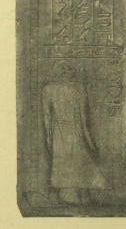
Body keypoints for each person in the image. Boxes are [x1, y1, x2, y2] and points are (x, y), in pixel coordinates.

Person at [42, 63, 107, 205]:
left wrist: (49, 137)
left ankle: (75, 195)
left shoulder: (51, 89)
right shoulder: (75, 89)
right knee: (71, 162)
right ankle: (72, 195)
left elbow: (49, 117)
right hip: (68, 132)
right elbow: (83, 122)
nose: (67, 74)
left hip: (64, 133)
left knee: (72, 163)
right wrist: (90, 142)